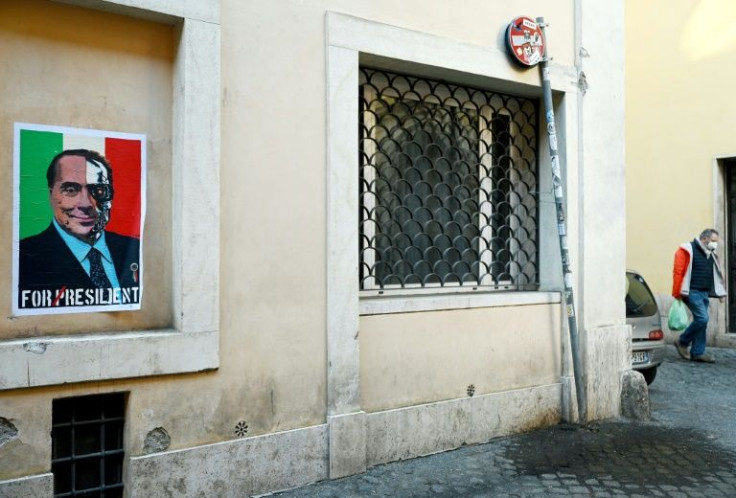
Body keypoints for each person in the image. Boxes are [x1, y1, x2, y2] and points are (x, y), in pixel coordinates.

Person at [18, 149, 140, 310]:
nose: (86, 204)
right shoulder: (23, 258)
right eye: (70, 190)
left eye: (99, 190)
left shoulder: (135, 249)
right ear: (51, 194)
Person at [671, 228, 726, 363]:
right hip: (691, 291)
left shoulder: (710, 253)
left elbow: (717, 275)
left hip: (704, 292)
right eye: (713, 241)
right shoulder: (688, 250)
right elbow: (678, 271)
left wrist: (720, 293)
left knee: (702, 323)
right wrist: (677, 292)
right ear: (704, 239)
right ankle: (682, 341)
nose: (715, 244)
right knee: (702, 318)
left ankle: (697, 353)